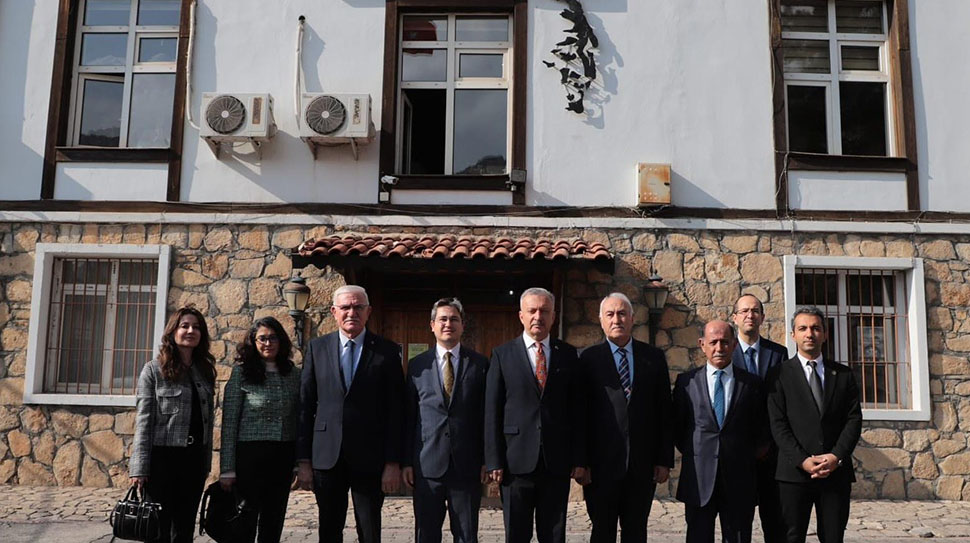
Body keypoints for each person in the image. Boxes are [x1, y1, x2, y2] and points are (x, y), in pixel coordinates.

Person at [295, 285, 404, 543]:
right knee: (329, 529)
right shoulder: (317, 348)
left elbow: (396, 409)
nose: (351, 312)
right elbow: (305, 404)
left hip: (371, 458)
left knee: (369, 530)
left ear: (368, 312)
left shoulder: (387, 352)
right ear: (334, 311)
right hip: (326, 456)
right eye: (345, 307)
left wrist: (392, 462)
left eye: (358, 307)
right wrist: (303, 460)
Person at [485, 287, 587, 543]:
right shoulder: (502, 355)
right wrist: (494, 459)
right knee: (516, 534)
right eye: (532, 311)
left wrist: (579, 457)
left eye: (544, 311)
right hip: (515, 461)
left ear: (554, 316)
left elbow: (577, 410)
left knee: (553, 534)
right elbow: (492, 410)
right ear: (521, 316)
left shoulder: (569, 355)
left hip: (556, 461)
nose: (537, 317)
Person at [580, 293, 673, 543]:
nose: (616, 319)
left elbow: (664, 410)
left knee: (636, 532)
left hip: (641, 467)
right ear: (601, 321)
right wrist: (581, 462)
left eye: (622, 313)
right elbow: (581, 415)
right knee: (602, 532)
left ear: (632, 319)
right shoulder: (588, 360)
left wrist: (664, 459)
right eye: (610, 314)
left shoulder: (653, 358)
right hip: (600, 469)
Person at [767, 306, 862, 543]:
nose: (810, 333)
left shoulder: (843, 375)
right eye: (803, 328)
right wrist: (803, 460)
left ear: (825, 334)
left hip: (834, 473)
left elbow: (853, 420)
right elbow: (778, 424)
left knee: (832, 536)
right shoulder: (778, 374)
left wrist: (836, 456)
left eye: (815, 328)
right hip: (793, 474)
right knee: (791, 536)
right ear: (793, 335)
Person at [403, 298, 489, 543]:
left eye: (454, 319)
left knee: (466, 534)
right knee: (426, 534)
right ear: (432, 325)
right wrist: (406, 462)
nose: (448, 324)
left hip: (467, 465)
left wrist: (486, 460)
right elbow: (410, 416)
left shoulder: (480, 364)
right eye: (442, 319)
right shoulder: (417, 366)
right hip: (427, 463)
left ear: (462, 326)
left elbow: (486, 416)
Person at [673, 320, 766, 543]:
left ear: (734, 345)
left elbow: (762, 428)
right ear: (702, 344)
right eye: (713, 342)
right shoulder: (686, 382)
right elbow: (677, 427)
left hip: (739, 480)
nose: (719, 348)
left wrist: (742, 456)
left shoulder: (752, 384)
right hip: (699, 479)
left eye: (725, 342)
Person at [129, 306, 217, 543]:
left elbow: (208, 422)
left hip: (193, 460)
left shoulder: (205, 371)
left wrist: (206, 462)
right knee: (158, 529)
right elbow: (144, 420)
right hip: (162, 460)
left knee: (184, 528)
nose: (191, 331)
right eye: (185, 326)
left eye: (196, 327)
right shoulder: (154, 370)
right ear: (173, 331)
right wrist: (139, 467)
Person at [219, 316, 301, 543]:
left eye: (273, 338)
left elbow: (298, 418)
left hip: (282, 457)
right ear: (253, 343)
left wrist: (298, 462)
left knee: (273, 522)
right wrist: (227, 468)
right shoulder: (242, 374)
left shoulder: (294, 375)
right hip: (250, 458)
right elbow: (229, 423)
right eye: (262, 339)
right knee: (245, 521)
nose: (268, 343)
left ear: (281, 341)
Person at [730, 294, 788, 543]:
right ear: (735, 318)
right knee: (738, 525)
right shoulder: (724, 352)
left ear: (763, 317)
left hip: (771, 455)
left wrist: (770, 443)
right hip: (736, 454)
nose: (749, 316)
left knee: (775, 523)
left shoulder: (779, 354)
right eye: (744, 311)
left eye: (755, 311)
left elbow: (783, 404)